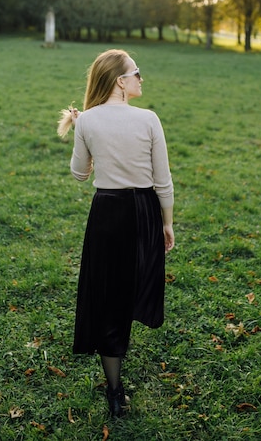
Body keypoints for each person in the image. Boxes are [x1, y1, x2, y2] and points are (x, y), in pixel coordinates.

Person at [57, 48, 174, 417]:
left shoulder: (88, 121)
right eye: (136, 72)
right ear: (121, 81)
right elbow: (163, 182)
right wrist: (167, 223)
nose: (141, 77)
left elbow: (79, 174)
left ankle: (114, 388)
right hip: (144, 213)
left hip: (107, 213)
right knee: (132, 286)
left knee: (109, 294)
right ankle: (116, 377)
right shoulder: (149, 119)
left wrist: (84, 130)